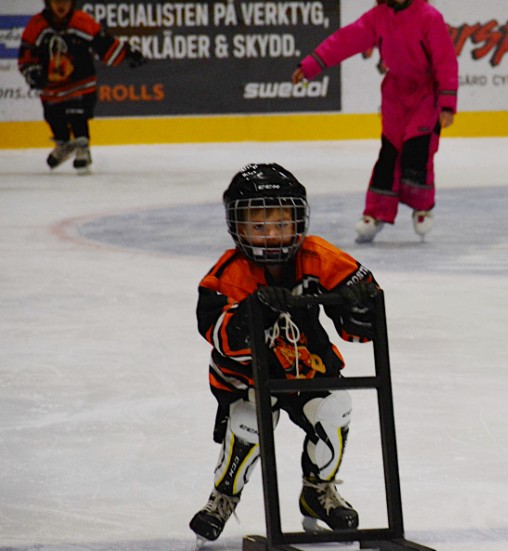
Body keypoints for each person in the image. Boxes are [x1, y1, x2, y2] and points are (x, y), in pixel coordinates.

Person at [189, 163, 381, 544]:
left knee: (335, 407)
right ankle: (223, 497)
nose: (271, 236)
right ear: (237, 227)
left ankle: (317, 492)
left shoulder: (318, 257)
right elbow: (217, 334)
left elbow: (361, 314)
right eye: (258, 226)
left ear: (298, 221)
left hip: (306, 369)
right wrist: (252, 311)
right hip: (247, 377)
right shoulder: (226, 274)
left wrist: (360, 313)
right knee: (249, 422)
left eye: (280, 223)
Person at [292, 0, 459, 243]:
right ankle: (376, 213)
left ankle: (422, 206)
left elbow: (446, 61)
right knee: (389, 153)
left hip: (425, 94)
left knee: (419, 148)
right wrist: (311, 65)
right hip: (394, 95)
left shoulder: (429, 16)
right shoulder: (377, 17)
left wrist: (447, 103)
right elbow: (345, 40)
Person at [17, 0, 146, 174]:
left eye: (65, 1)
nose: (61, 5)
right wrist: (34, 73)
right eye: (56, 1)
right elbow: (26, 54)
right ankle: (64, 143)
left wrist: (127, 54)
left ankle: (82, 146)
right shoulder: (37, 25)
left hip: (81, 81)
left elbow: (104, 43)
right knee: (52, 115)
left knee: (77, 112)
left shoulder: (82, 21)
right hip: (52, 85)